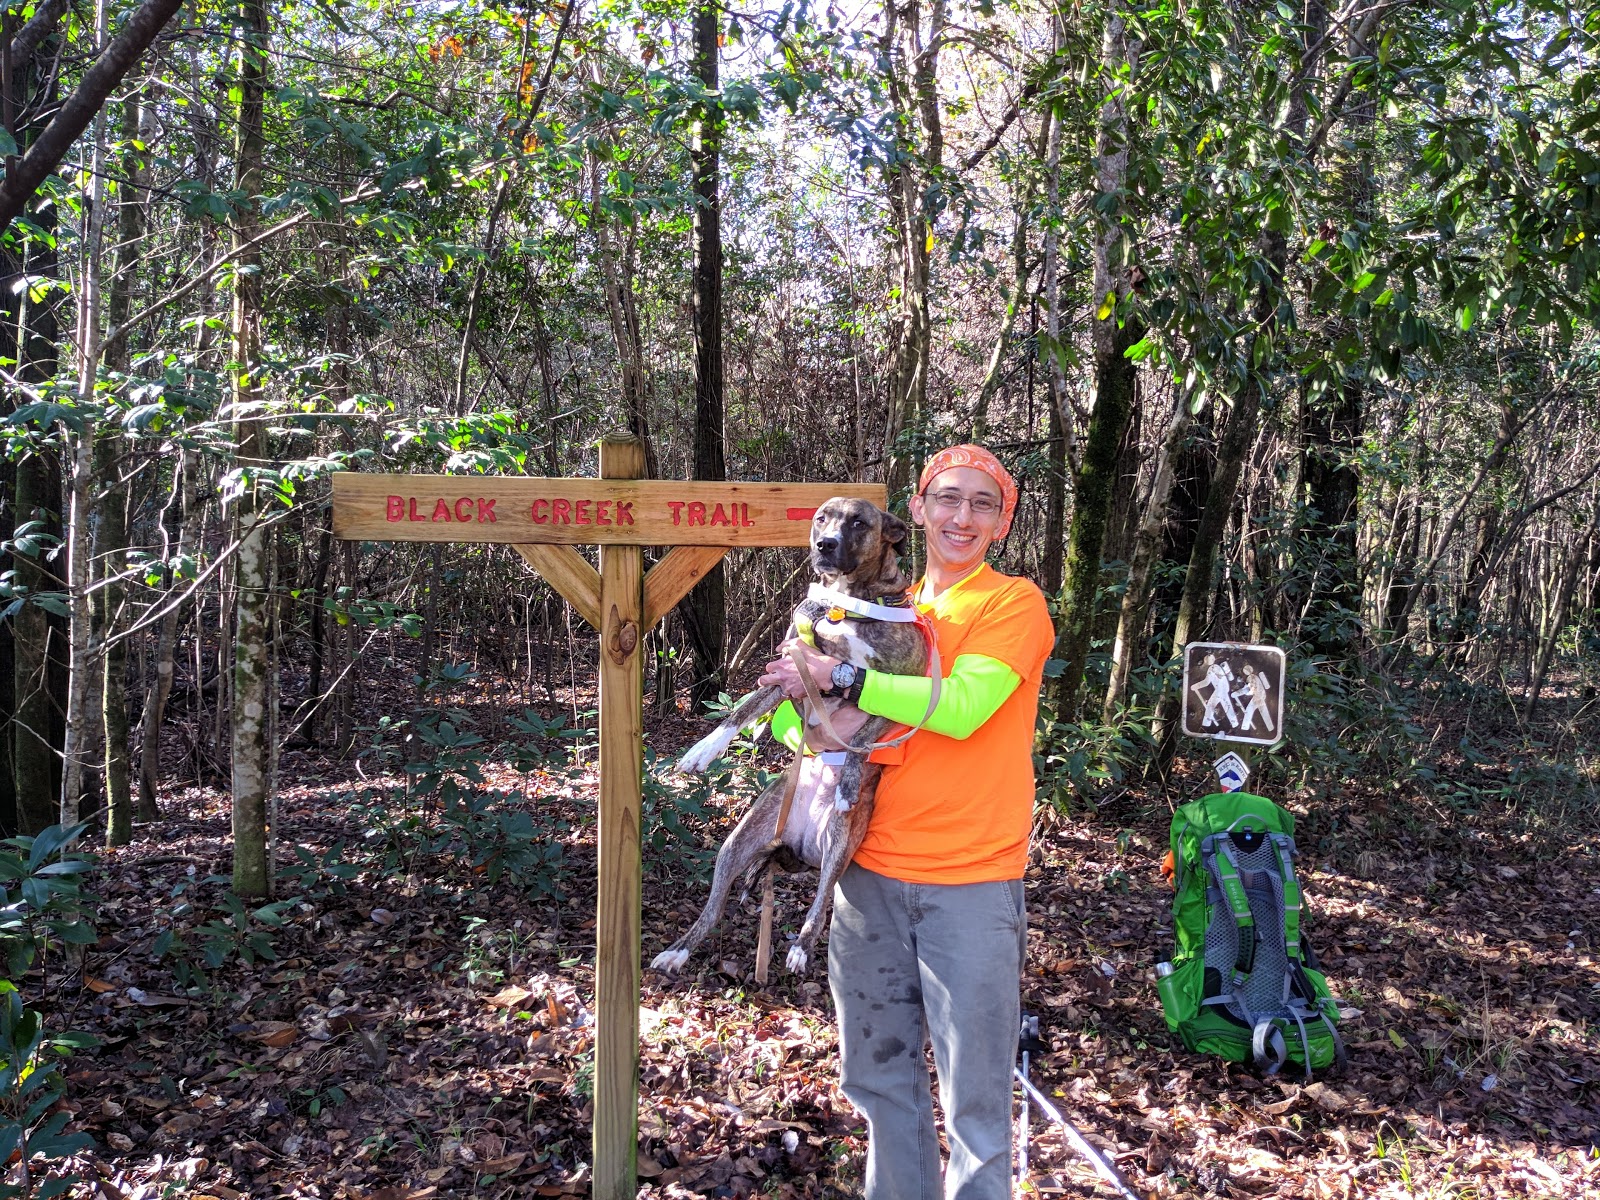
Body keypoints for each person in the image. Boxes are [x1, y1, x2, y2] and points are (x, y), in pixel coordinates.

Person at [758, 445, 1054, 1200]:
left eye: (981, 503)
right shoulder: (881, 608)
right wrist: (804, 709)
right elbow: (804, 734)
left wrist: (842, 677)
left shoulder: (1010, 604)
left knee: (976, 1105)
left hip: (971, 885)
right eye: (947, 499)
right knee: (880, 1085)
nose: (962, 516)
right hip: (867, 877)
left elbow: (960, 710)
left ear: (1001, 522)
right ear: (913, 513)